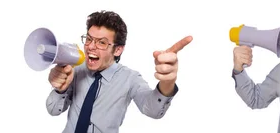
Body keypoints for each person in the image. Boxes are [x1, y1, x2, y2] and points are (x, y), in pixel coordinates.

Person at [46, 10, 192, 133]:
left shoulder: (130, 78)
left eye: (101, 42)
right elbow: (53, 110)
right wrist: (60, 90)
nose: (90, 47)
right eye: (89, 39)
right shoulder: (76, 69)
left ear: (118, 49)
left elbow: (152, 110)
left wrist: (168, 81)